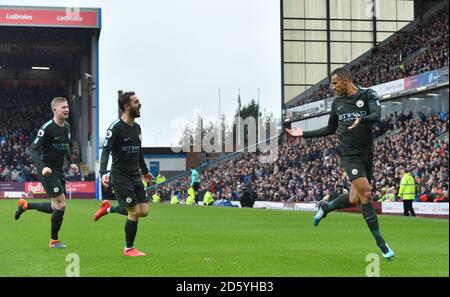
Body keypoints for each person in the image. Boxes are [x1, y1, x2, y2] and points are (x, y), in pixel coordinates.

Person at [286, 67, 394, 260]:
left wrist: (362, 119)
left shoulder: (368, 94)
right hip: (348, 155)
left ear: (346, 81)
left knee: (355, 199)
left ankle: (326, 207)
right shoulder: (338, 104)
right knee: (366, 193)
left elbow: (377, 116)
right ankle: (381, 243)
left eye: (335, 83)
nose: (332, 87)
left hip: (366, 154)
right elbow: (330, 129)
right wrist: (303, 134)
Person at [14, 97, 79, 249]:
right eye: (63, 107)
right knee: (61, 204)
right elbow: (33, 149)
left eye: (67, 106)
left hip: (58, 170)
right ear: (54, 110)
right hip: (47, 171)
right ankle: (54, 241)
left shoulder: (67, 126)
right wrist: (42, 167)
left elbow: (65, 146)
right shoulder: (47, 128)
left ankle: (24, 206)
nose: (67, 109)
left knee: (54, 207)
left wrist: (71, 163)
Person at [93, 91, 152, 257]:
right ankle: (129, 248)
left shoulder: (137, 128)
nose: (140, 104)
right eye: (136, 102)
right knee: (134, 212)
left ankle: (108, 209)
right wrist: (103, 172)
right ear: (126, 107)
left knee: (144, 211)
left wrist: (145, 172)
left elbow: (138, 151)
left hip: (135, 175)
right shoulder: (116, 128)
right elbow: (105, 151)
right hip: (120, 177)